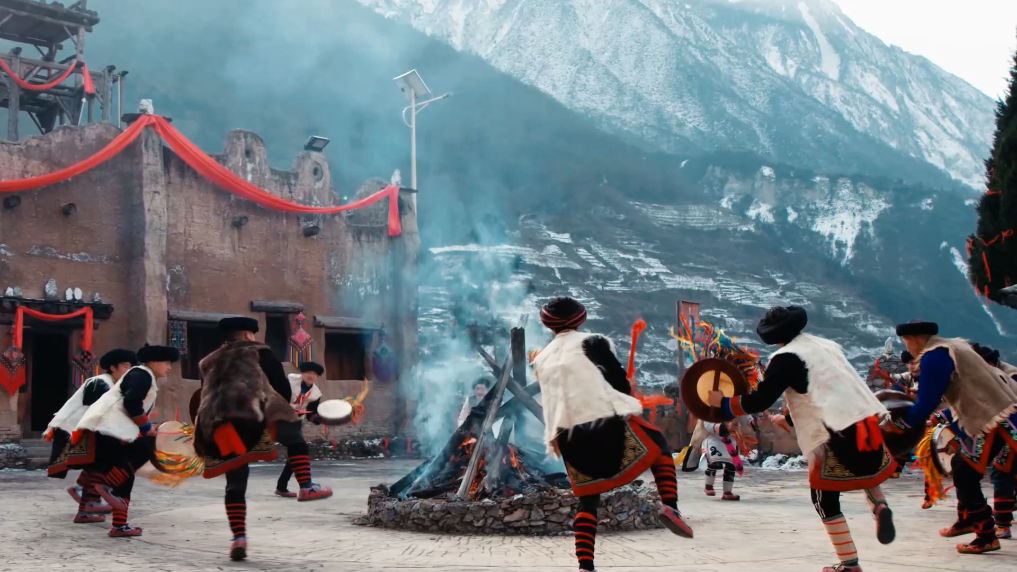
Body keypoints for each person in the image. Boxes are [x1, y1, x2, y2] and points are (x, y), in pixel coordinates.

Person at [708, 306, 896, 572]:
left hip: (831, 434)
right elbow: (826, 390)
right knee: (865, 473)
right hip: (864, 424)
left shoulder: (785, 359)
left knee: (824, 500)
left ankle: (849, 564)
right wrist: (789, 418)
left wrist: (724, 403)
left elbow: (760, 400)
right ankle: (880, 507)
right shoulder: (827, 347)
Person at [530, 296, 691, 572]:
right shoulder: (592, 343)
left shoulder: (542, 359)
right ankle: (670, 506)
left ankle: (585, 565)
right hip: (603, 428)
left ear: (549, 325)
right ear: (579, 319)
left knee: (588, 500)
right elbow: (620, 385)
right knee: (658, 444)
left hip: (568, 439)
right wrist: (626, 386)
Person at [192, 316, 332, 561]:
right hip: (252, 414)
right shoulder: (259, 352)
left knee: (235, 482)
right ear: (249, 334)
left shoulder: (208, 362)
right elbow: (282, 388)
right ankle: (306, 487)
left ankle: (238, 538)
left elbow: (204, 394)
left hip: (217, 424)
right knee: (294, 434)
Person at [885, 320, 1017, 554]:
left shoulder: (933, 356)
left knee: (965, 474)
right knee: (961, 469)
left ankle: (986, 534)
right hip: (995, 416)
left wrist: (898, 425)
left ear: (912, 338)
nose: (906, 346)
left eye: (905, 341)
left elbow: (926, 404)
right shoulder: (955, 346)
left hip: (992, 419)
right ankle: (973, 523)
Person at [73, 344, 180, 537]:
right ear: (153, 362)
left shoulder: (142, 375)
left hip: (112, 427)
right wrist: (146, 427)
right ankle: (106, 489)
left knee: (126, 473)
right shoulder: (142, 375)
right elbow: (131, 402)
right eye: (166, 362)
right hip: (111, 428)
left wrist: (146, 424)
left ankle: (119, 524)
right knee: (141, 455)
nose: (169, 367)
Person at [46, 348, 138, 523]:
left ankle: (85, 505)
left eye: (131, 367)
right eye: (126, 366)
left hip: (95, 430)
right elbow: (97, 410)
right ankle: (88, 503)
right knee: (104, 466)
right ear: (113, 367)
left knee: (97, 467)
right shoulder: (100, 382)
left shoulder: (116, 385)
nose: (129, 371)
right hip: (80, 429)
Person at [275, 361, 325, 498]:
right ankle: (306, 486)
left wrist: (321, 418)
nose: (311, 376)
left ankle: (282, 486)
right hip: (277, 418)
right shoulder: (288, 382)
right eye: (308, 372)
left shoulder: (316, 394)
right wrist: (287, 405)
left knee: (298, 451)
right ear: (302, 373)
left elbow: (311, 414)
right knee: (299, 448)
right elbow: (274, 397)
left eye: (314, 374)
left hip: (295, 423)